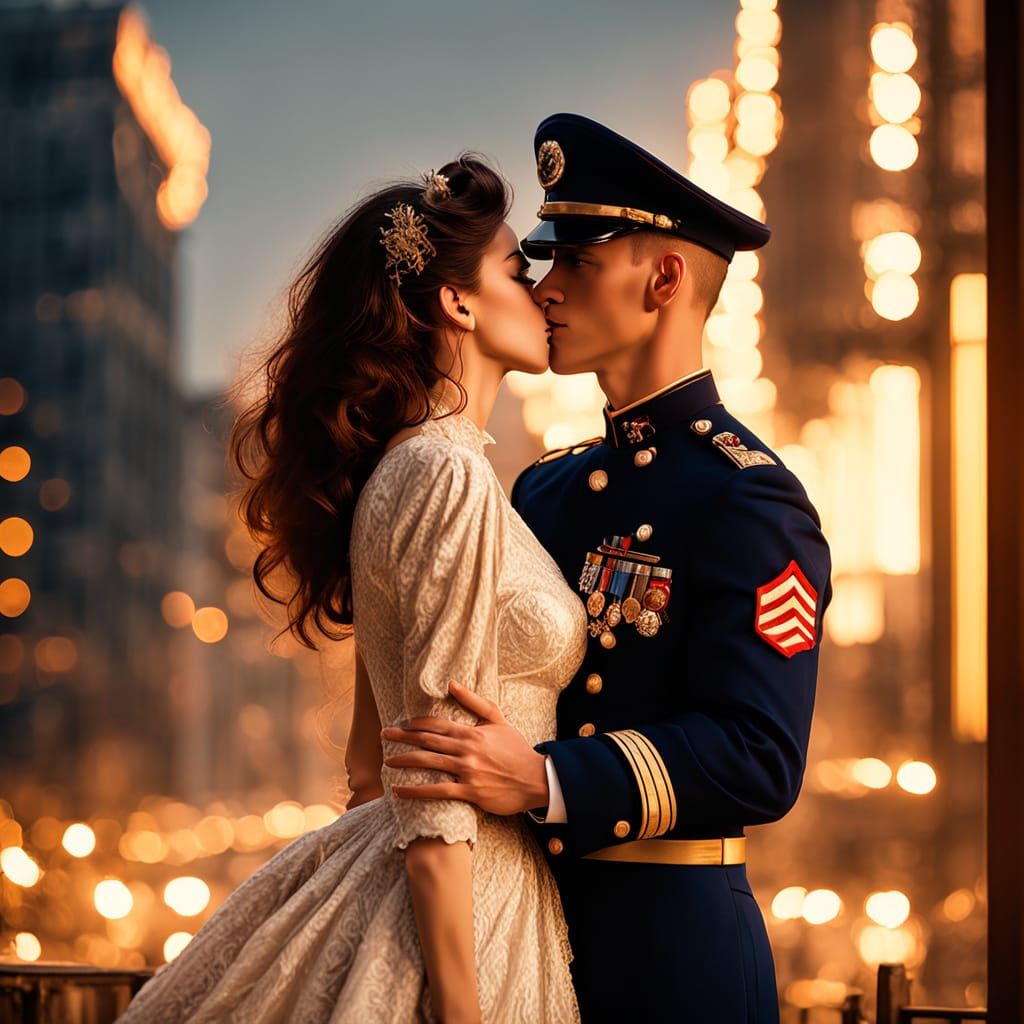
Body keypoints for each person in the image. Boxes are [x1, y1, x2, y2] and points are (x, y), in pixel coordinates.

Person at [381, 113, 834, 1022]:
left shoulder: (747, 497)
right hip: (525, 937)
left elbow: (761, 756)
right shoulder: (541, 490)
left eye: (576, 264)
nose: (545, 288)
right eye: (541, 263)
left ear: (664, 279)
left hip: (673, 953)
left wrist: (547, 781)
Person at [115, 155, 584, 1024]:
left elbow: (369, 767)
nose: (545, 291)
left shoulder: (401, 468)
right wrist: (458, 1010)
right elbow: (430, 794)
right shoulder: (449, 476)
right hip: (467, 900)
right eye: (519, 270)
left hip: (428, 884)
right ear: (458, 302)